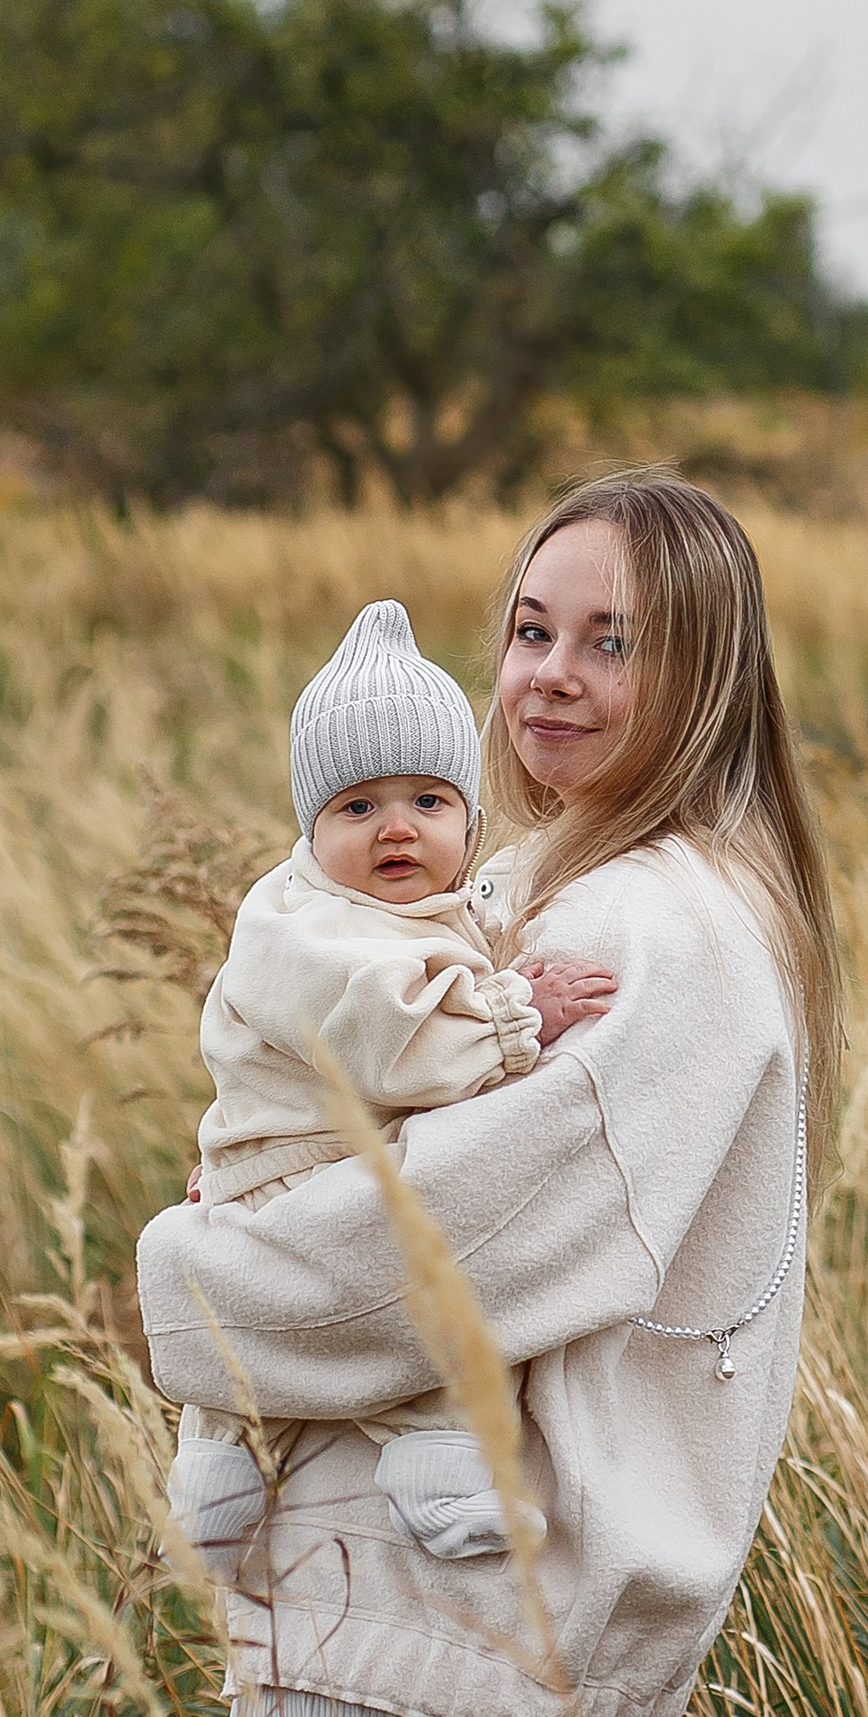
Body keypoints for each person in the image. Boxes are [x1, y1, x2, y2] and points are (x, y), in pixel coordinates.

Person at [136, 471, 842, 1717]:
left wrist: (184, 1291)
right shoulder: (514, 892)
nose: (546, 673)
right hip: (382, 1614)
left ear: (700, 671)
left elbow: (430, 1246)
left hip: (482, 1628)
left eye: (608, 639)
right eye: (527, 627)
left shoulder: (663, 928)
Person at [166, 596, 615, 1577]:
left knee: (313, 1339)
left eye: (428, 801)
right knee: (409, 1308)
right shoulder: (305, 927)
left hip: (314, 1161)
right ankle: (397, 1476)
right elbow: (385, 1035)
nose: (395, 830)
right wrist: (515, 1016)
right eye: (357, 807)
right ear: (310, 826)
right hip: (286, 1168)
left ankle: (246, 1494)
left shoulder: (430, 910)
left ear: (469, 815)